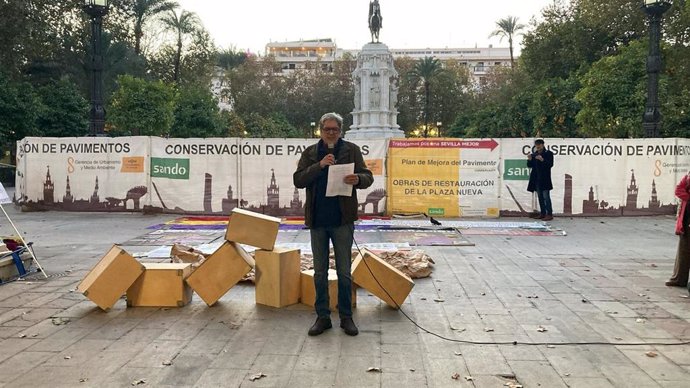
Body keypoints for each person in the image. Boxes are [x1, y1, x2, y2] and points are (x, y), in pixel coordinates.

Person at [293, 112, 374, 336]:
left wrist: (358, 179)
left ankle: (346, 317)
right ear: (320, 130)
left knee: (344, 272)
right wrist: (319, 165)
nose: (331, 133)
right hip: (318, 220)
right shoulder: (311, 153)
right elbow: (298, 180)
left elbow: (368, 176)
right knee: (320, 272)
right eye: (327, 129)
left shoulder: (351, 150)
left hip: (342, 220)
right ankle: (323, 317)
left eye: (335, 130)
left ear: (340, 131)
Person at [666, 171, 690, 288]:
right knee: (684, 248)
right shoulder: (688, 175)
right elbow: (679, 189)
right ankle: (679, 278)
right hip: (687, 217)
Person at [527, 139, 554, 221]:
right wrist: (529, 159)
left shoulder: (548, 153)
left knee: (546, 197)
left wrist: (542, 160)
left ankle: (549, 214)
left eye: (539, 145)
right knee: (540, 197)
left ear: (543, 145)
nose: (538, 147)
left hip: (545, 179)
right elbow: (529, 165)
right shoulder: (534, 154)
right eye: (536, 145)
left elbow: (550, 164)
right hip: (536, 179)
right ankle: (542, 213)